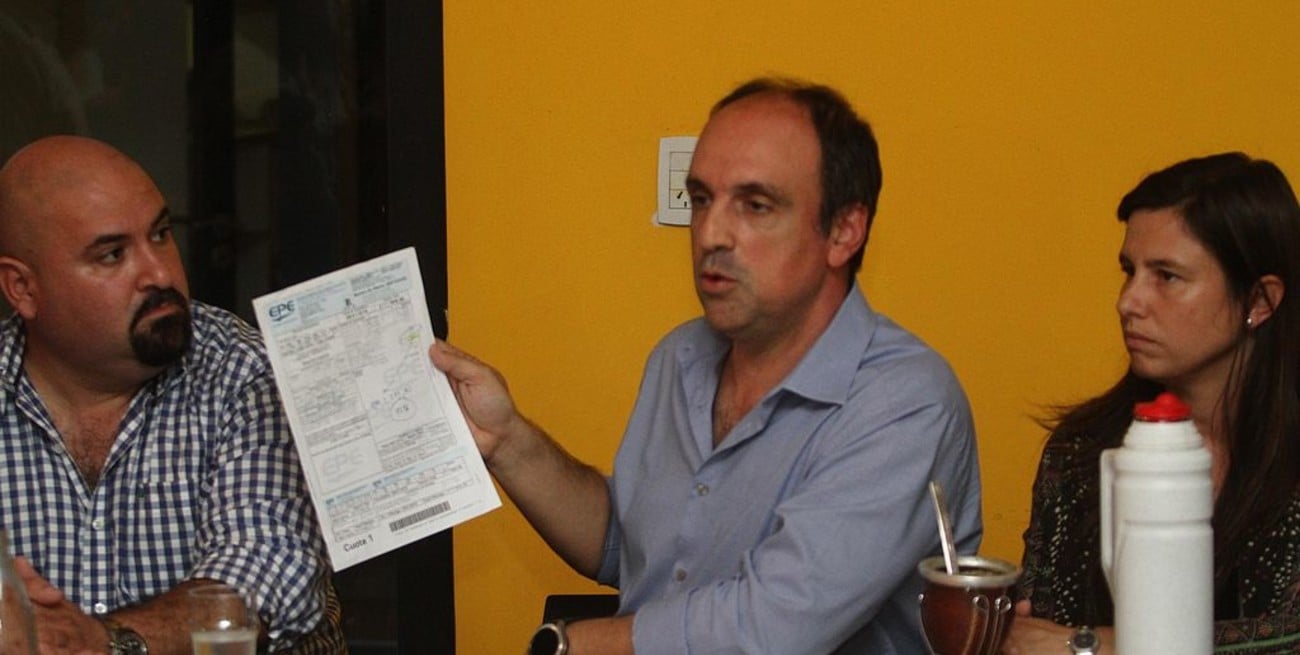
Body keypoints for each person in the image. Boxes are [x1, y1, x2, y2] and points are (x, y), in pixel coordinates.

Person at [431, 77, 982, 654]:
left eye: (756, 206)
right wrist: (507, 440)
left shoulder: (905, 401)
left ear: (844, 231)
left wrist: (572, 644)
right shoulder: (680, 357)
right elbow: (631, 548)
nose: (711, 234)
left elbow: (772, 628)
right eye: (701, 199)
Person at [0, 135, 345, 654]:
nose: (160, 273)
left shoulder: (246, 371)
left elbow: (266, 569)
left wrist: (102, 642)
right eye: (112, 255)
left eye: (161, 235)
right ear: (23, 289)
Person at [1007, 153, 1300, 654]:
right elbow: (1036, 637)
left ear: (1260, 301)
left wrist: (1104, 646)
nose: (1128, 301)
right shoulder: (1081, 452)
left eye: (1167, 276)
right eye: (1130, 270)